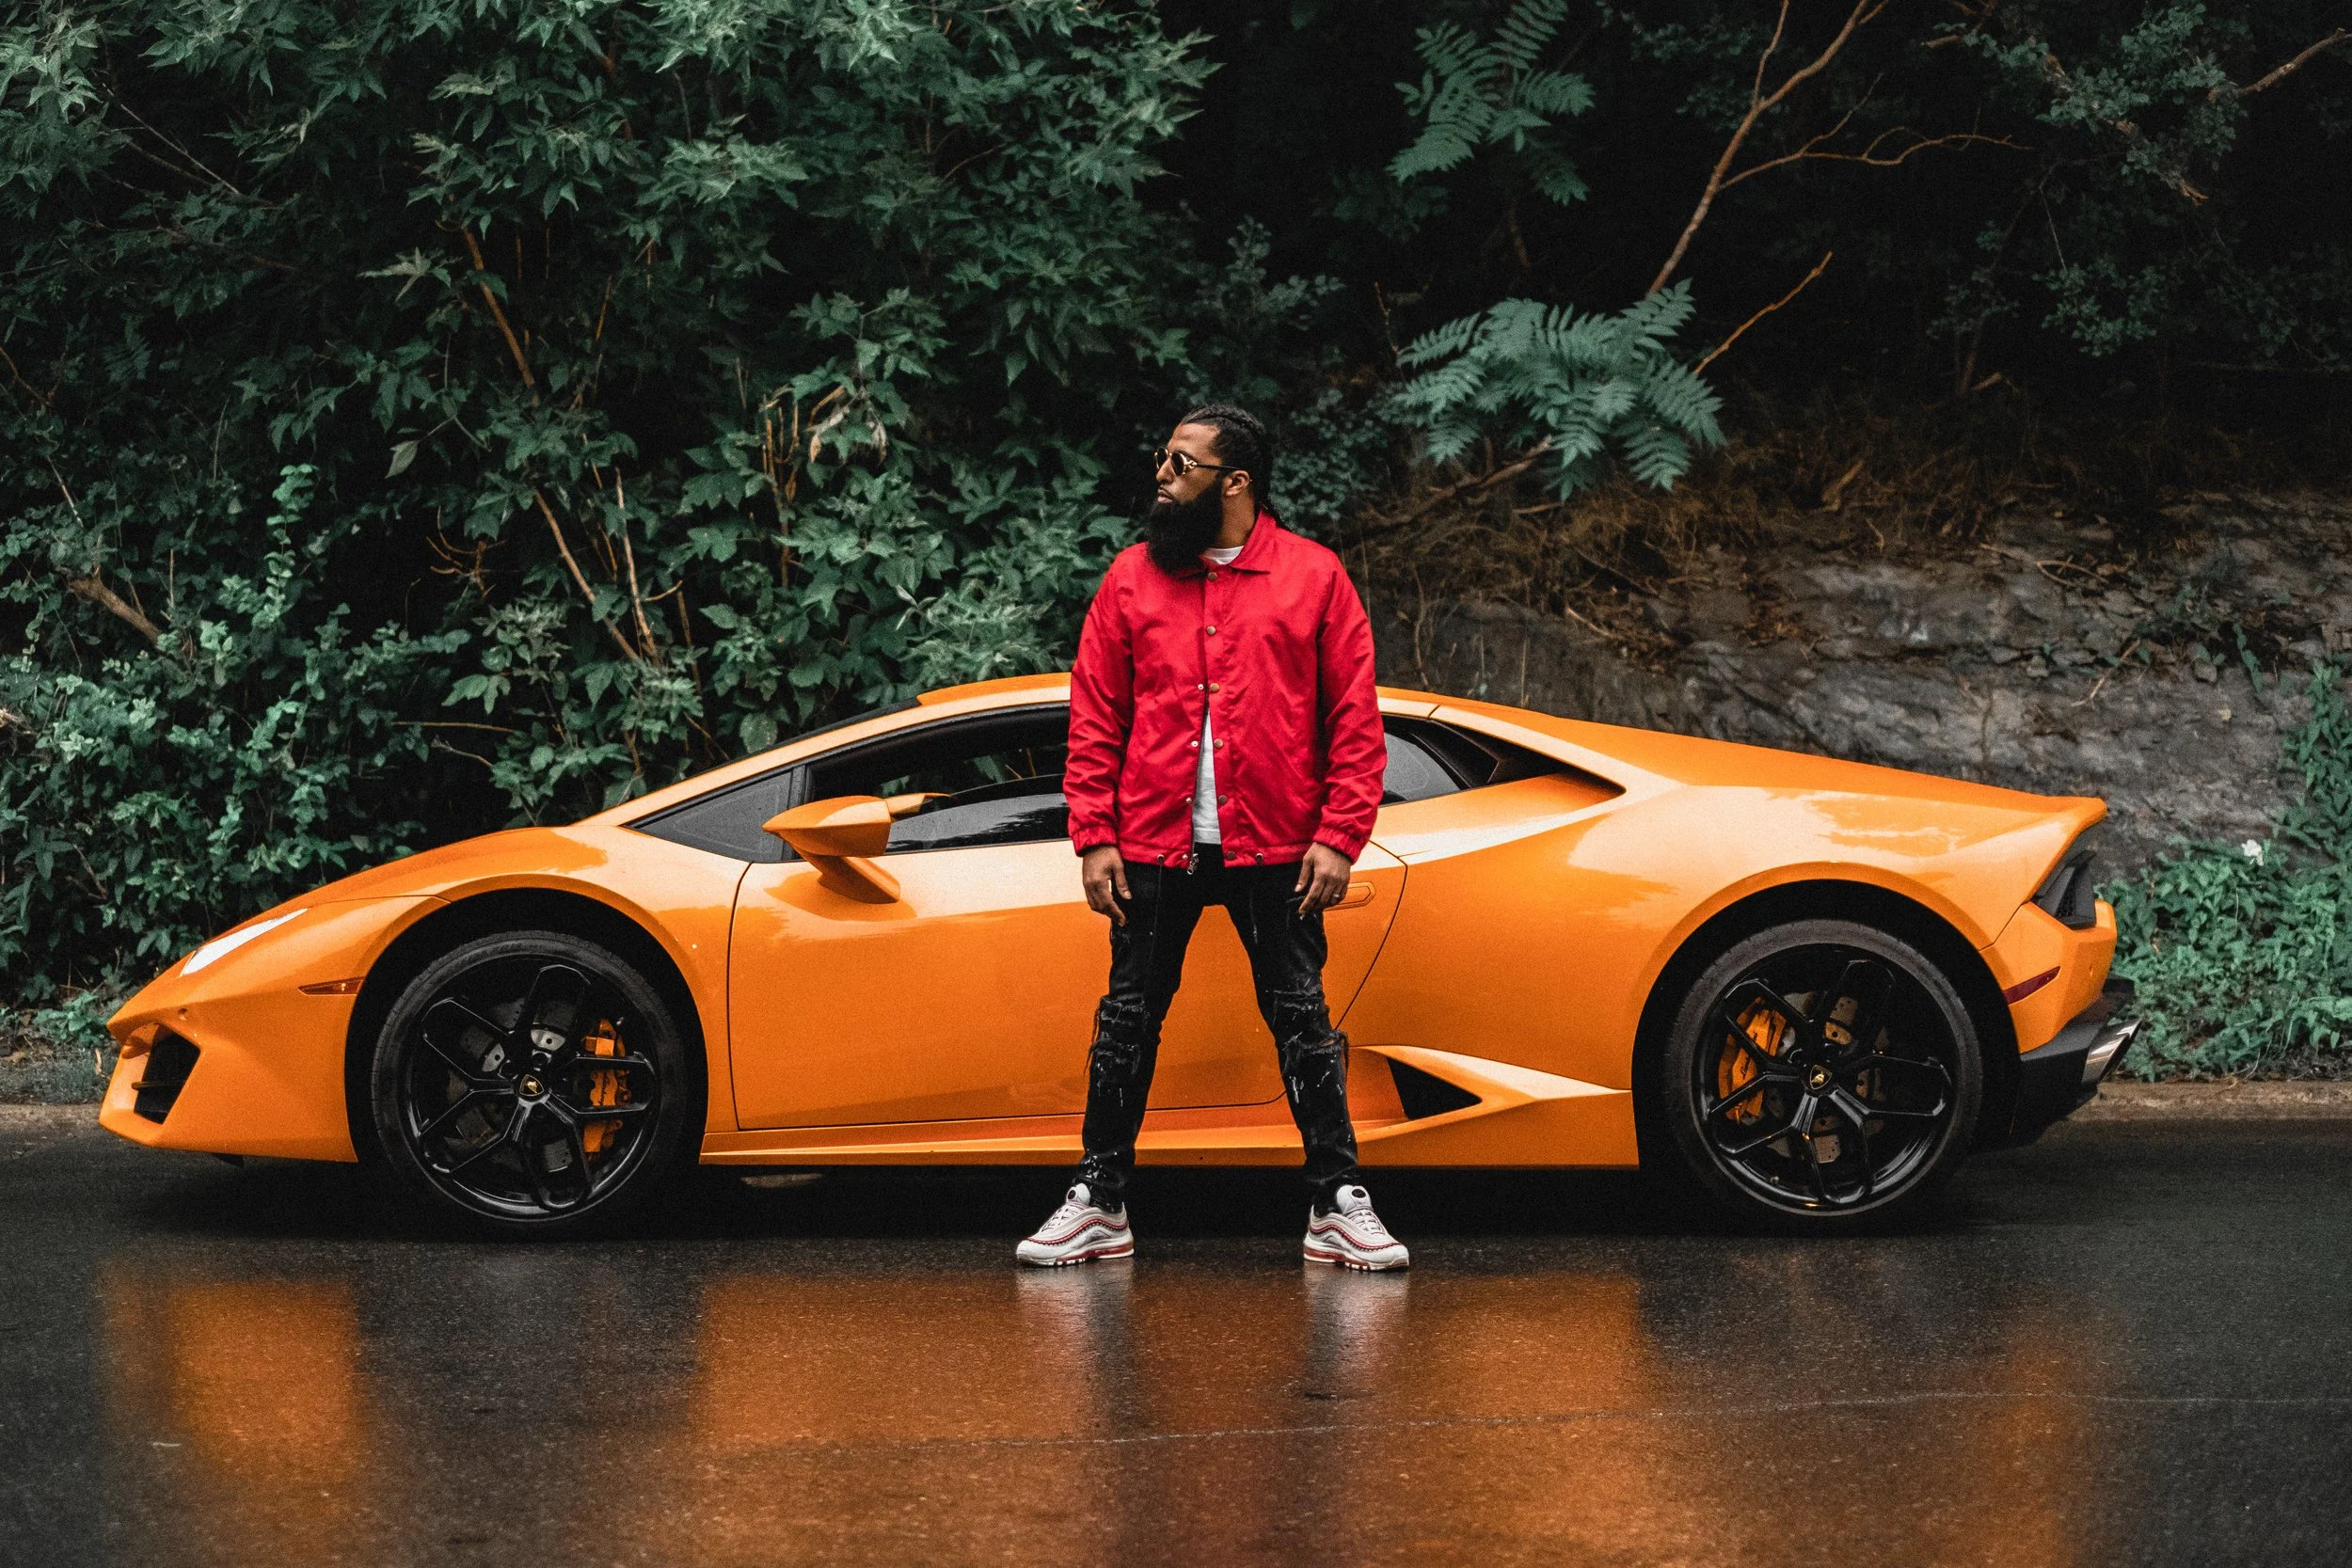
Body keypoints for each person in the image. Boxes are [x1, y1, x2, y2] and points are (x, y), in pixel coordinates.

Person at [1017, 404, 1409, 1271]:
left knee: (1303, 1021)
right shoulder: (1130, 580)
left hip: (1277, 849)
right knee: (1126, 1022)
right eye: (1163, 458)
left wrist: (1340, 836)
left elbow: (1354, 721)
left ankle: (1337, 1202)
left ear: (1235, 482)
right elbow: (1095, 717)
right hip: (1153, 846)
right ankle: (1099, 1199)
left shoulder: (1314, 577)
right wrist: (1093, 834)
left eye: (1182, 463)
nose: (1162, 475)